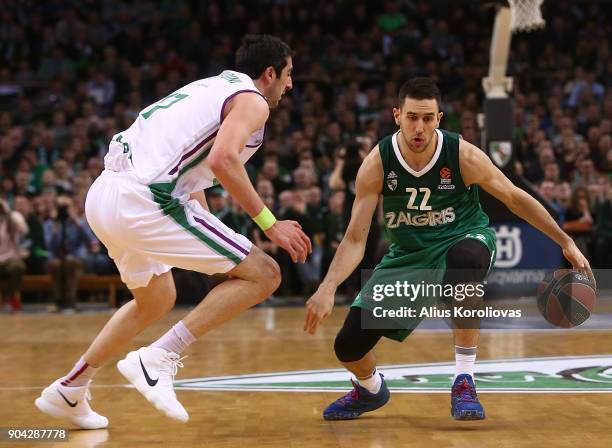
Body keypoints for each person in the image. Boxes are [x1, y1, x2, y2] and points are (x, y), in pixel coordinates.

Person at [35, 34, 311, 429]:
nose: (290, 84)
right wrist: (271, 224)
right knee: (266, 273)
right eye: (288, 75)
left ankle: (70, 389)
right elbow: (223, 160)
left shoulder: (211, 87)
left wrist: (213, 236)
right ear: (269, 73)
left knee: (156, 298)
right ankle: (158, 358)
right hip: (143, 201)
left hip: (104, 194)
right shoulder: (252, 100)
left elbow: (193, 174)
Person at [304, 78, 593, 421]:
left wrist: (566, 241)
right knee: (347, 346)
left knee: (464, 260)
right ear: (397, 115)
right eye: (412, 117)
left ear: (439, 119)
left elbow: (514, 197)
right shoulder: (377, 163)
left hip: (465, 237)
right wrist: (327, 286)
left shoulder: (463, 154)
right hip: (409, 256)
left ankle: (464, 379)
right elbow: (354, 239)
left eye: (427, 119)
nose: (419, 127)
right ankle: (369, 390)